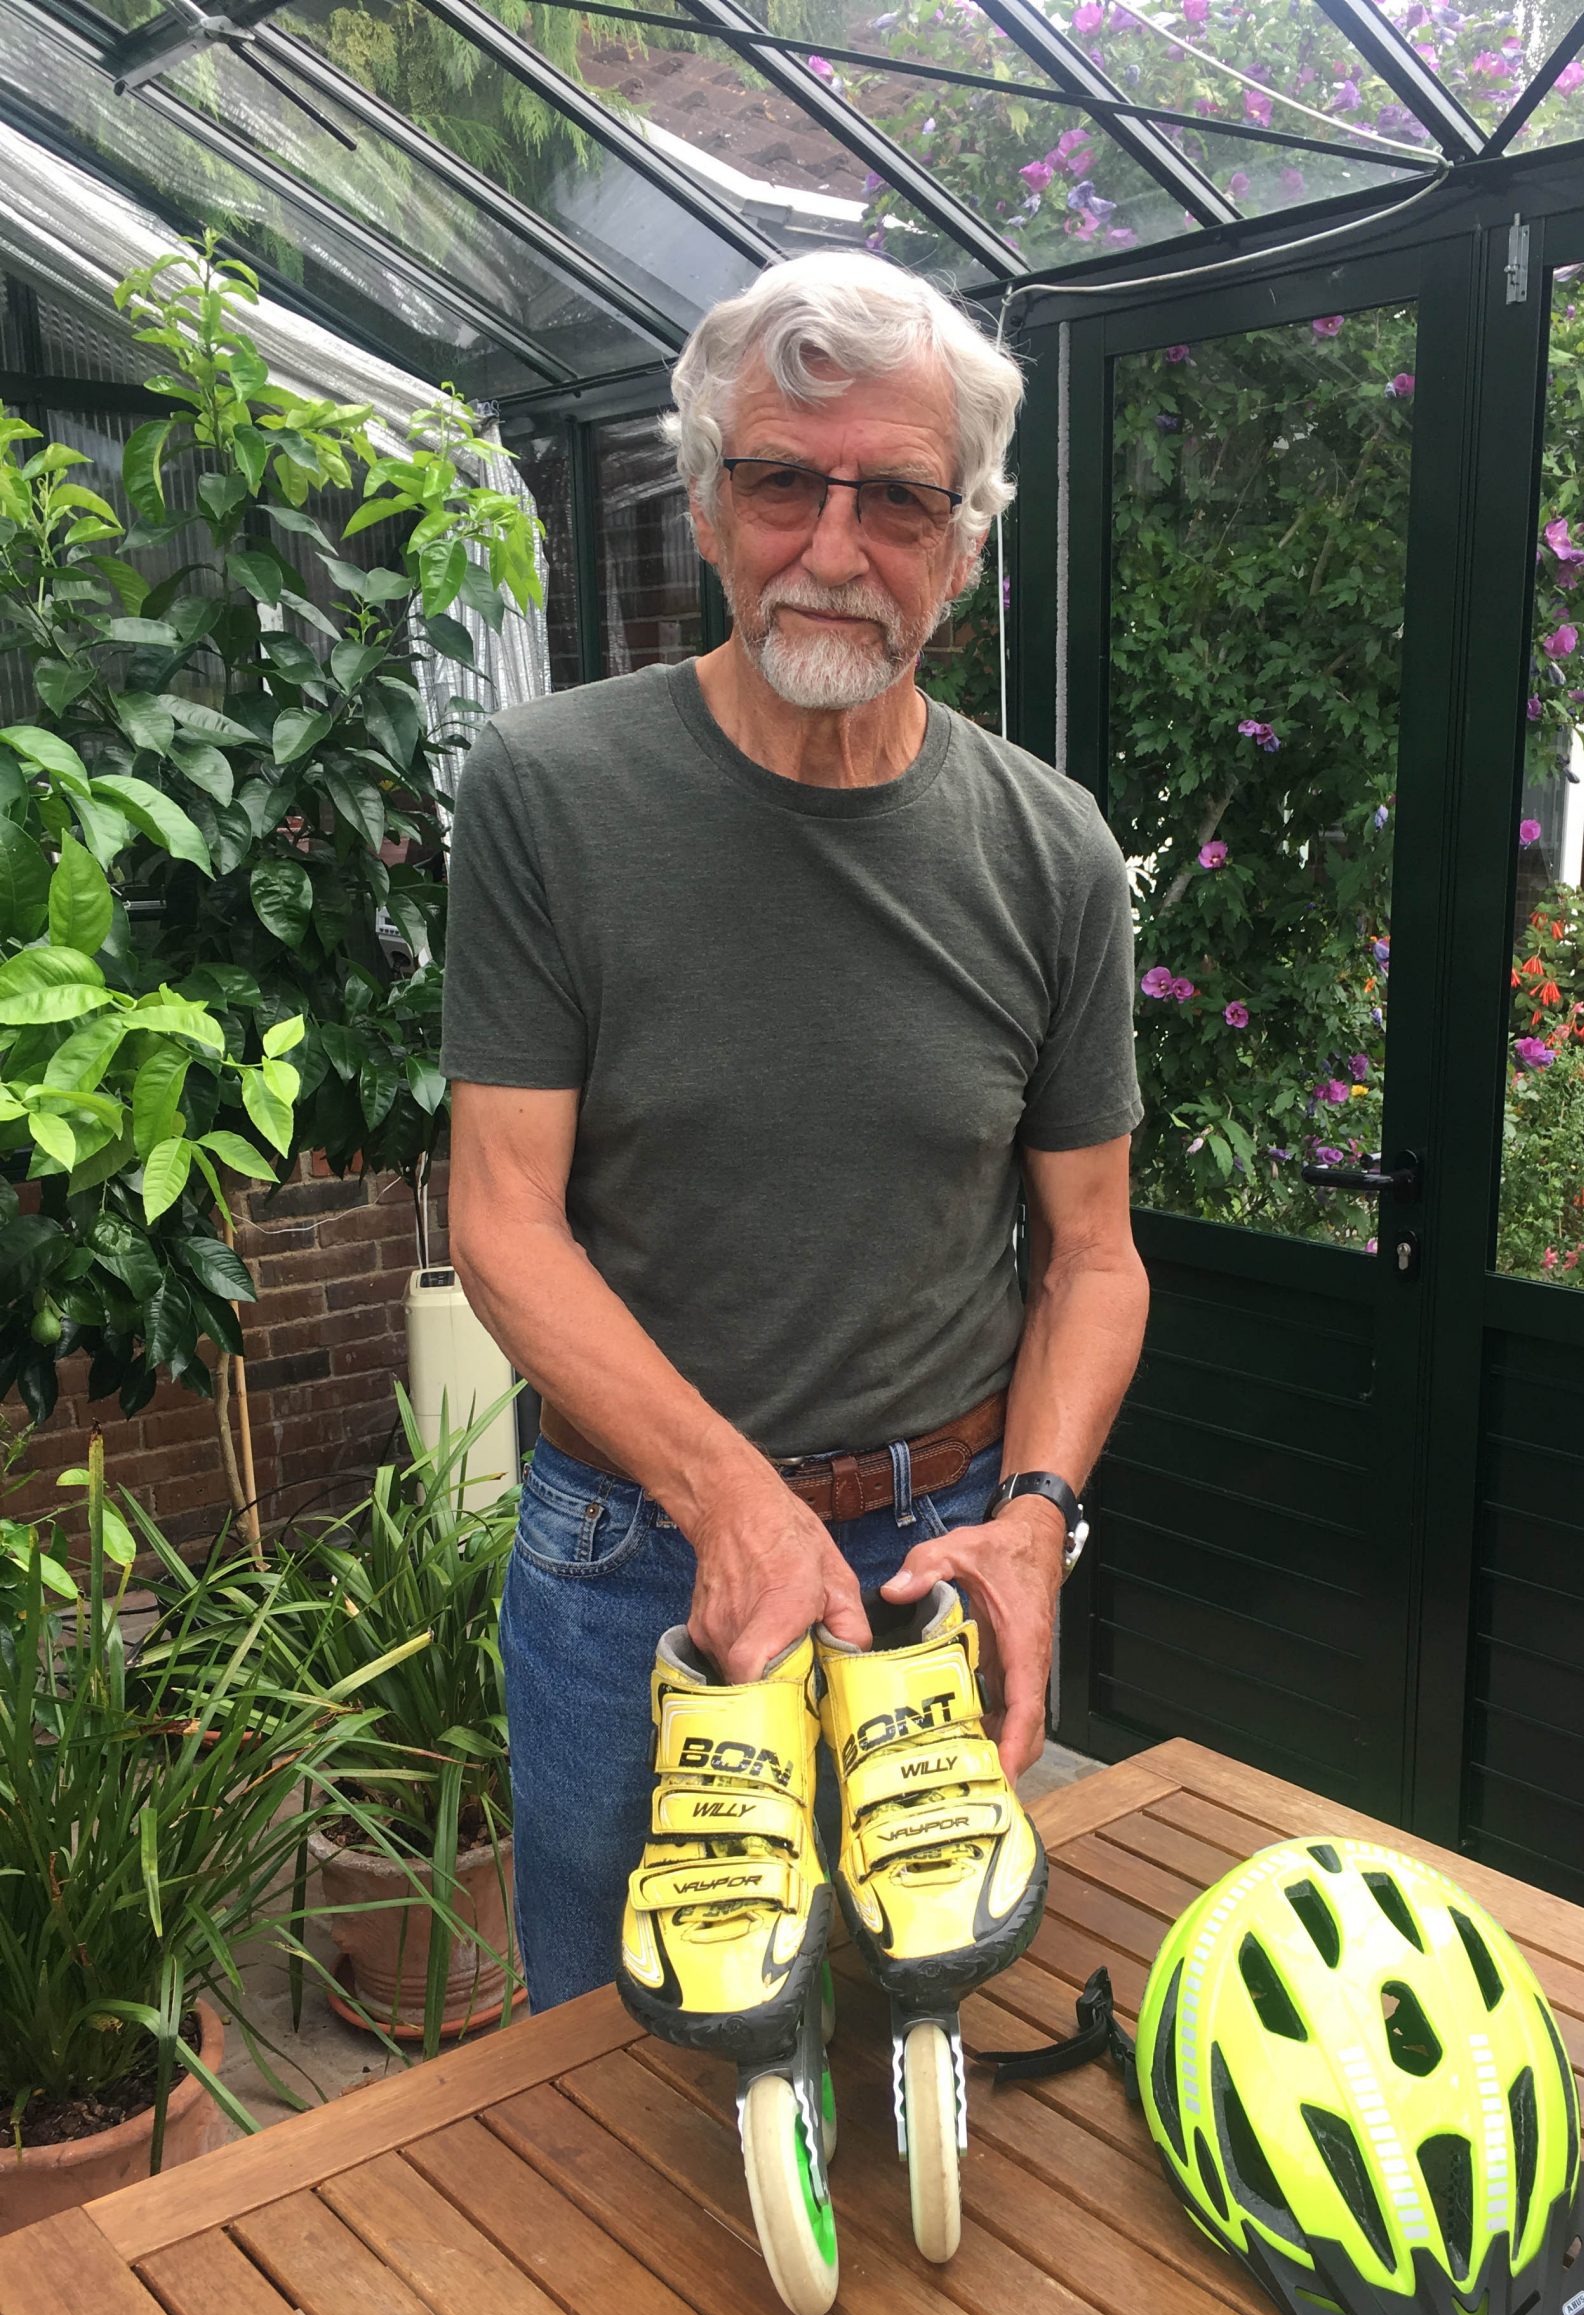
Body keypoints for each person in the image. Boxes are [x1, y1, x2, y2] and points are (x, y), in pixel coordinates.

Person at [442, 249, 1150, 2011]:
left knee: (920, 2045)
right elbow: (503, 1220)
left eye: (898, 498)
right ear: (704, 503)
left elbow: (1093, 1254)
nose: (833, 549)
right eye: (781, 480)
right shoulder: (552, 794)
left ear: (966, 544)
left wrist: (1039, 1522)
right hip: (639, 1571)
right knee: (604, 2087)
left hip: (944, 1551)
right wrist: (730, 1499)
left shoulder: (1050, 852)